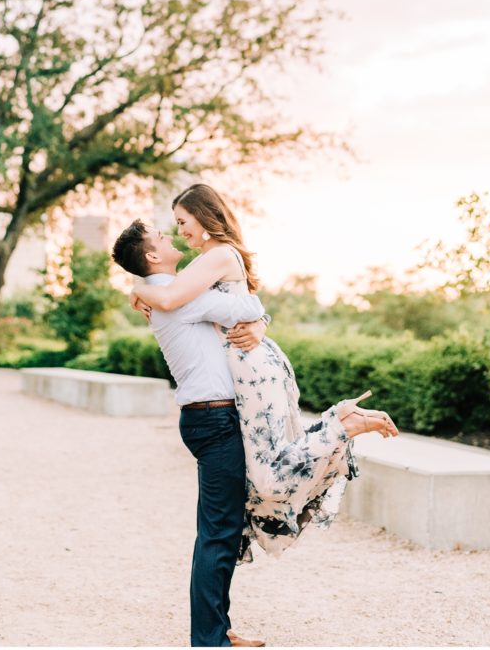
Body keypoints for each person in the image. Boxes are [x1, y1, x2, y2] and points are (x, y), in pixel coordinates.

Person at [130, 183, 398, 567]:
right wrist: (260, 322)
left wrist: (136, 286)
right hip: (247, 367)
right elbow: (224, 304)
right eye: (176, 224)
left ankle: (342, 423)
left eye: (183, 221)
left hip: (249, 368)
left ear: (206, 217)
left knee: (268, 475)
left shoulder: (216, 255)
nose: (180, 230)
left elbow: (172, 297)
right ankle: (338, 424)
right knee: (263, 475)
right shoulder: (208, 260)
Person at [112, 220, 269, 649]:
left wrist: (140, 289)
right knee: (218, 531)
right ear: (151, 257)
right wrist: (258, 315)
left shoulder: (169, 292)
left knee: (220, 528)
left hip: (208, 418)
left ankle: (218, 628)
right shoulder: (179, 295)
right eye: (162, 237)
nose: (170, 237)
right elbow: (246, 309)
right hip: (214, 420)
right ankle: (208, 640)